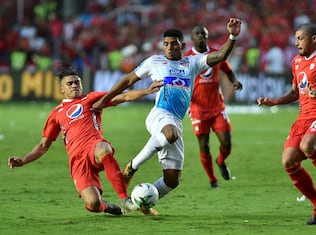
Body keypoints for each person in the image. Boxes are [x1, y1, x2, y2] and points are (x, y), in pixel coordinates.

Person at [92, 18, 241, 214]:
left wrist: (232, 36)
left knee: (172, 180)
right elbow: (128, 79)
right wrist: (106, 99)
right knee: (170, 134)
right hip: (160, 114)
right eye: (166, 44)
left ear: (182, 45)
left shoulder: (192, 63)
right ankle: (131, 166)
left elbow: (221, 55)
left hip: (176, 121)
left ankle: (140, 204)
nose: (169, 47)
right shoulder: (154, 62)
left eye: (173, 43)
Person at [8, 66, 162, 216]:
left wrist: (146, 91)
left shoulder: (91, 98)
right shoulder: (56, 114)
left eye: (77, 82)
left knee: (103, 148)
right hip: (77, 161)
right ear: (62, 89)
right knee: (93, 203)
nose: (74, 85)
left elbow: (123, 96)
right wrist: (23, 160)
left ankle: (124, 199)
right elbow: (43, 145)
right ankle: (105, 206)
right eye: (70, 83)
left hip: (94, 147)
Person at [257, 23, 316, 225]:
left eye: (300, 38)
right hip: (304, 117)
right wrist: (274, 101)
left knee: (308, 145)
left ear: (314, 39)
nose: (296, 42)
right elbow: (294, 92)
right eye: (296, 38)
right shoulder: (297, 61)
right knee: (288, 160)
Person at [183, 26, 242, 188]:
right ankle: (212, 179)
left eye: (204, 34)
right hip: (197, 109)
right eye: (197, 34)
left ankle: (221, 160)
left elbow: (228, 71)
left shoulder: (216, 54)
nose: (201, 36)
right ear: (192, 38)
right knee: (204, 145)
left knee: (227, 143)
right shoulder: (187, 58)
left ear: (207, 37)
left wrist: (234, 81)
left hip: (217, 107)